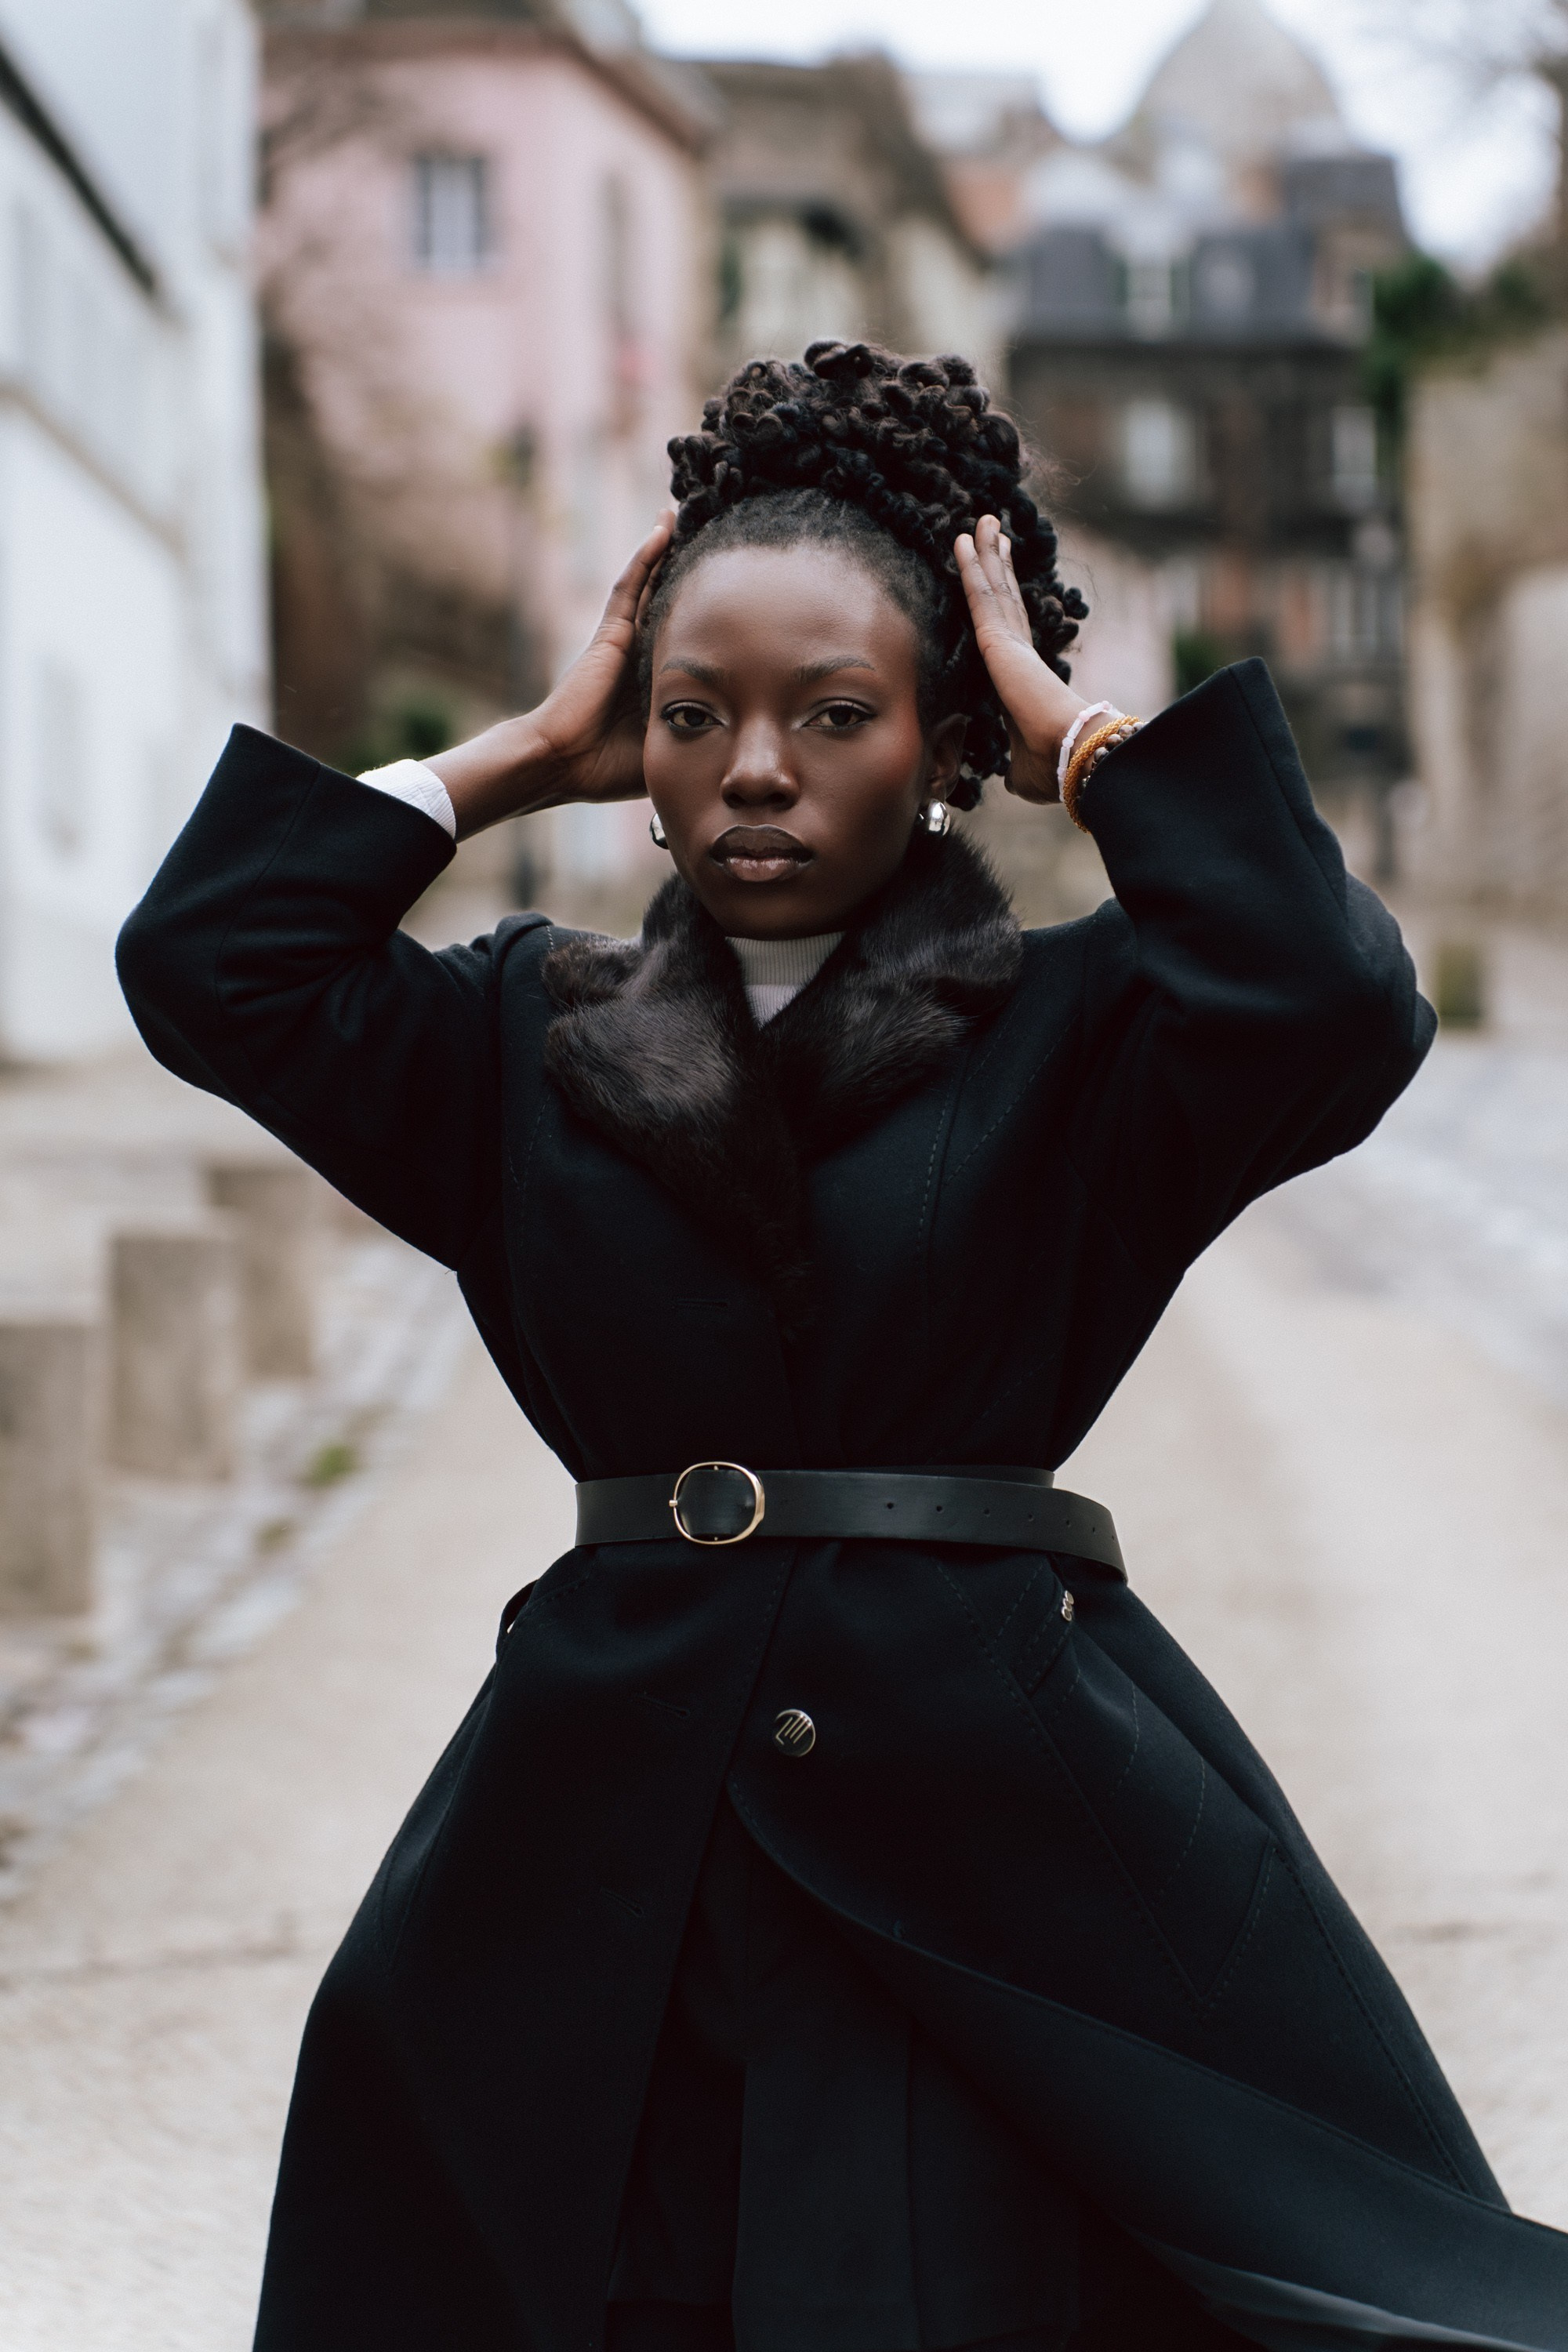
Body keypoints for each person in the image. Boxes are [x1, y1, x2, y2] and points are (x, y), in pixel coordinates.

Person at [118, 343, 1568, 2352]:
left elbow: (1336, 1002)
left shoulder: (1086, 1031)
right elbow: (210, 961)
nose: (755, 768)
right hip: (594, 1825)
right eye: (692, 714)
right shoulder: (513, 1033)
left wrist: (1084, 746)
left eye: (834, 712)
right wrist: (514, 757)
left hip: (1002, 1831)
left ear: (940, 740)